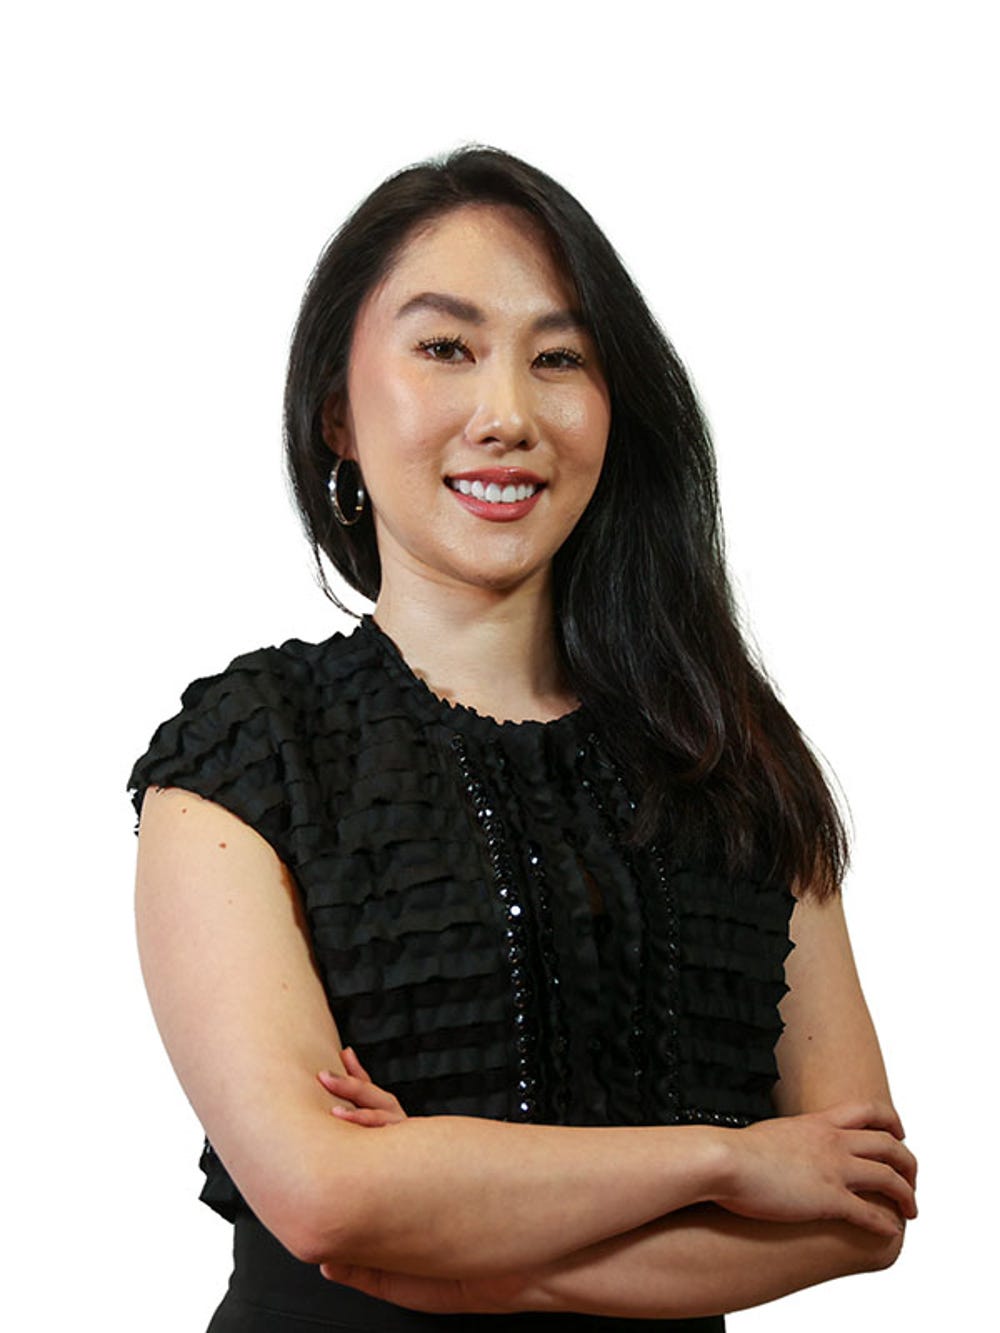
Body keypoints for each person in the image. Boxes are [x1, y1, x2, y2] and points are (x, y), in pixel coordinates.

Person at [128, 145, 917, 1331]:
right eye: (445, 348)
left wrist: (465, 1245)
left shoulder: (725, 753)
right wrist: (727, 1158)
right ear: (338, 412)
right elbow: (326, 1196)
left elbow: (859, 1205)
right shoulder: (249, 752)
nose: (506, 414)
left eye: (559, 359)